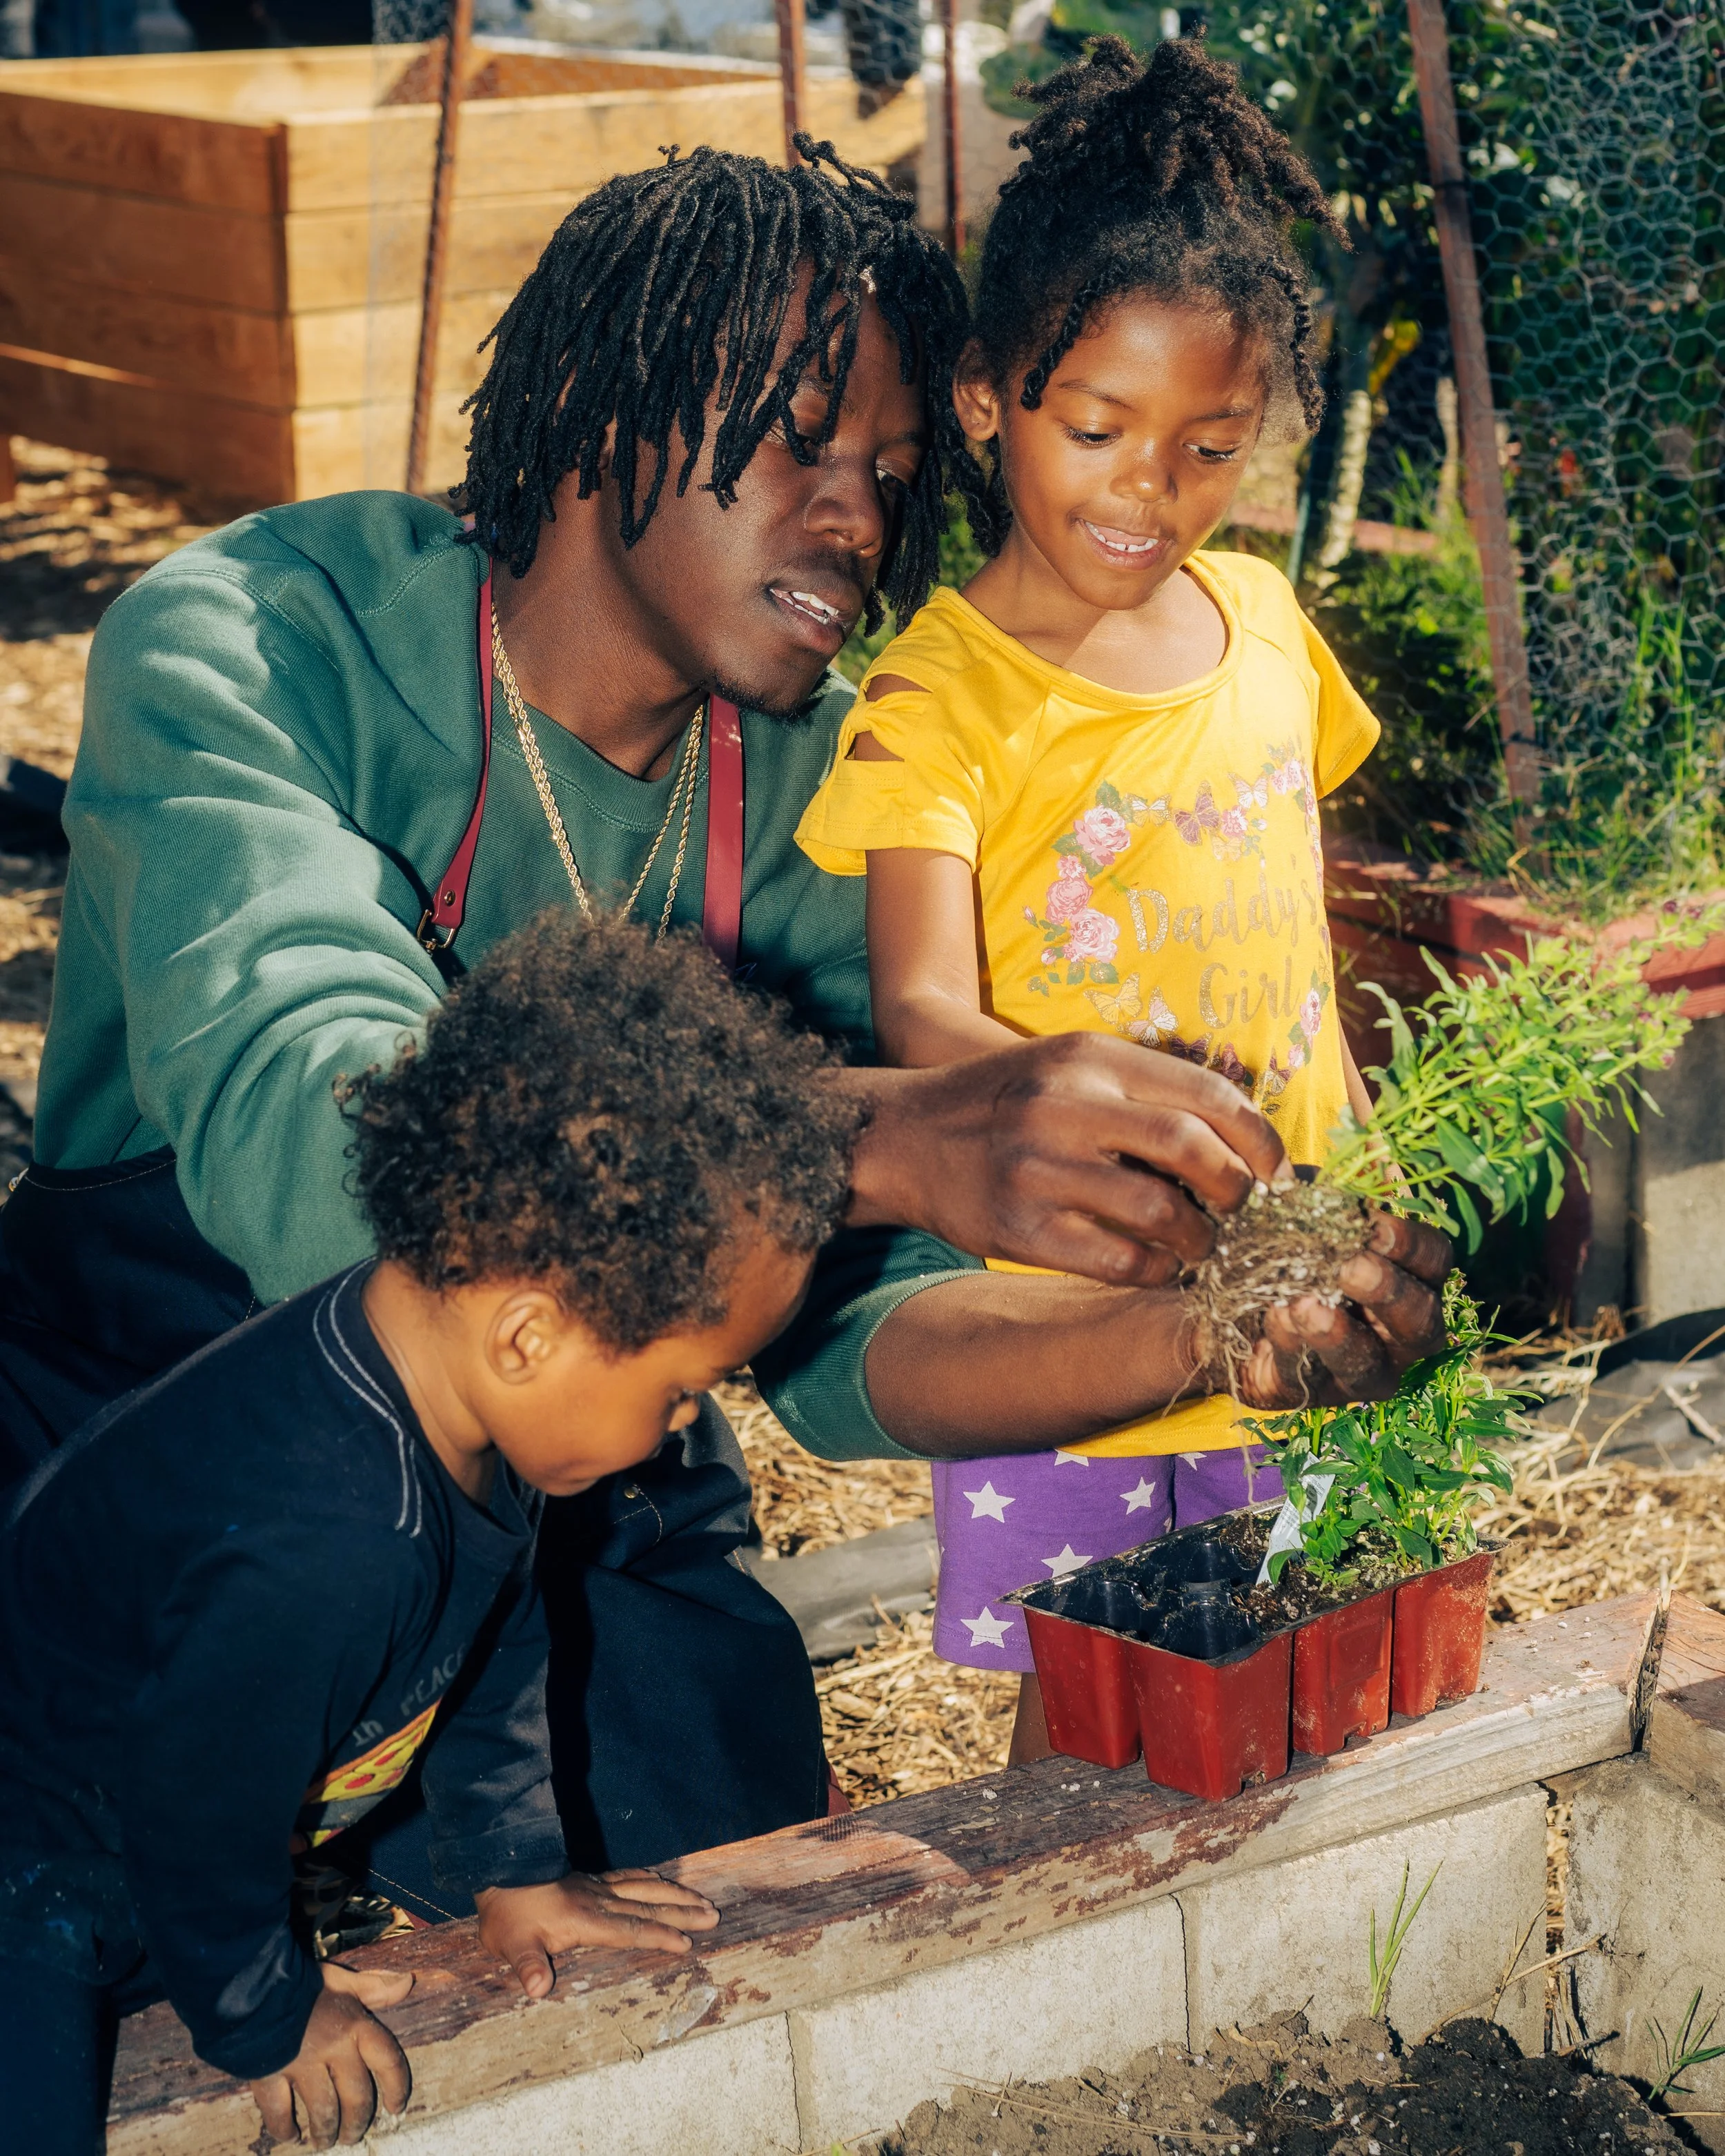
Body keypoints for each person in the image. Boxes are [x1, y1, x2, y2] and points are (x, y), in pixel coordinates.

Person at [1, 142, 1447, 1873]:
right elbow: (329, 1157)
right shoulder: (259, 639)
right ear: (610, 414)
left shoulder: (812, 792)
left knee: (716, 1853)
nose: (860, 517)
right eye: (800, 442)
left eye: (896, 471)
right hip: (164, 1407)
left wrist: (1210, 1341)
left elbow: (862, 1342)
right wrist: (892, 1132)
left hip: (570, 1471)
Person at [0, 910, 871, 2155]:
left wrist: (516, 1873)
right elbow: (198, 1797)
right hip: (36, 1864)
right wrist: (267, 2014)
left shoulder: (457, 1405)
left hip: (141, 1836)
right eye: (684, 1387)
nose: (690, 1423)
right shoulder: (334, 1529)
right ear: (530, 1336)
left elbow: (489, 1646)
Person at [796, 38, 1406, 1759]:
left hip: (1303, 1278)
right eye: (1099, 431)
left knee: (1318, 1668)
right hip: (1083, 1304)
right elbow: (922, 1008)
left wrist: (1356, 1150)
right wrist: (1108, 1149)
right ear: (987, 399)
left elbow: (1296, 911)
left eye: (1207, 447)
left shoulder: (1265, 625)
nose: (1147, 492)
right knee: (1094, 1711)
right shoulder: (938, 694)